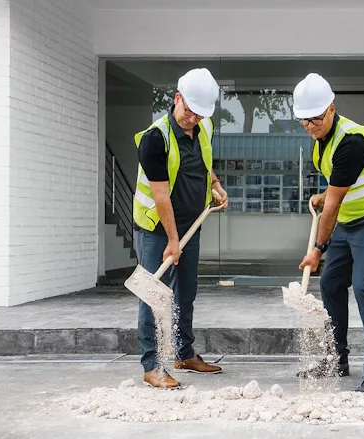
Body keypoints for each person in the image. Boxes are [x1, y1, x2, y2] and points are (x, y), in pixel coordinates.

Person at [295, 73, 364, 392]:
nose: (310, 126)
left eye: (315, 118)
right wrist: (324, 194)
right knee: (330, 282)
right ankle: (336, 359)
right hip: (351, 216)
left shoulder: (351, 140)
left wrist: (317, 249)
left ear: (331, 108)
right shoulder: (319, 143)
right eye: (303, 120)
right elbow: (336, 189)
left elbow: (335, 201)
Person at [132, 68, 228, 389]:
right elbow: (160, 195)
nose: (193, 119)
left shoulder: (204, 126)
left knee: (186, 291)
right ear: (177, 99)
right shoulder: (154, 139)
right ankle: (152, 365)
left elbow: (203, 160)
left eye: (200, 115)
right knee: (154, 293)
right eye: (189, 112)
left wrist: (214, 183)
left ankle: (184, 354)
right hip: (157, 228)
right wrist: (172, 240)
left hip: (191, 224)